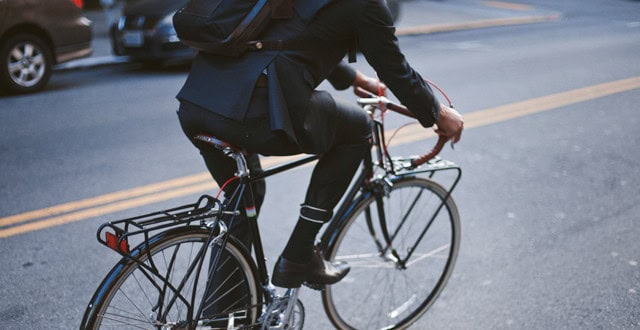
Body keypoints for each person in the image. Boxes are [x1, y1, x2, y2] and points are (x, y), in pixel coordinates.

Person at [176, 0, 464, 291]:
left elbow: (294, 35)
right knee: (357, 130)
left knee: (242, 200)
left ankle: (224, 314)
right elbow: (395, 69)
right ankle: (299, 256)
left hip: (197, 105)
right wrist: (438, 114)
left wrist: (353, 77)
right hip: (253, 113)